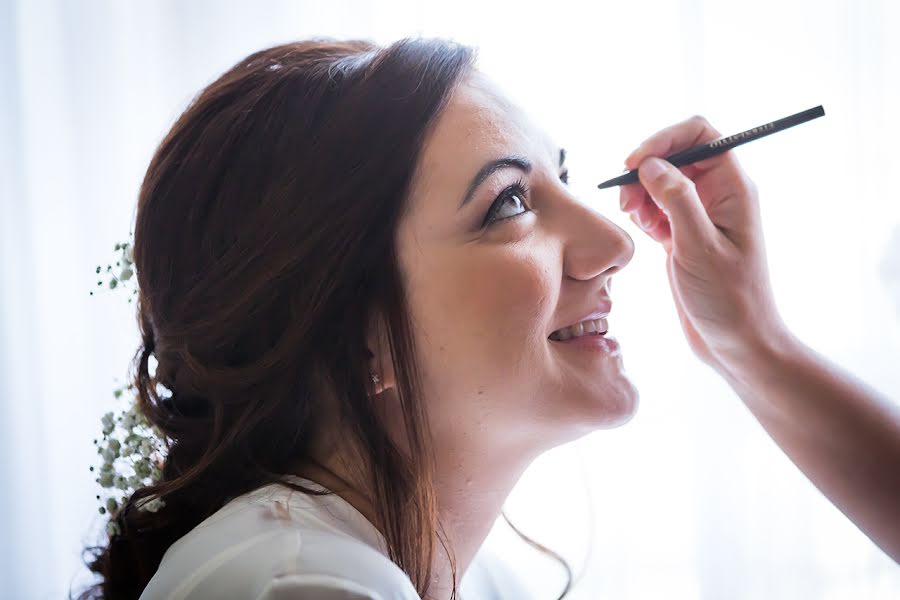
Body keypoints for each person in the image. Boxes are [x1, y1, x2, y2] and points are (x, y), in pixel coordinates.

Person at [76, 37, 899, 600]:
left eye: (567, 178)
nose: (617, 241)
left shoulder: (472, 577)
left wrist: (752, 345)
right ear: (348, 329)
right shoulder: (296, 584)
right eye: (510, 202)